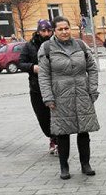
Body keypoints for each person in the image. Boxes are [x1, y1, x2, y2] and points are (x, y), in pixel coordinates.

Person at [38, 16, 99, 179]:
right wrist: (48, 97)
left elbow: (92, 68)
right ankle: (64, 167)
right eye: (60, 29)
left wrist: (92, 89)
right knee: (63, 133)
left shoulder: (80, 45)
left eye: (66, 28)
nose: (64, 32)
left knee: (84, 130)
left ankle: (85, 164)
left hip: (82, 94)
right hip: (60, 97)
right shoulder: (47, 48)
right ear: (54, 31)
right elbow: (43, 76)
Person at [18, 19, 56, 154]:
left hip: (56, 86)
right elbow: (20, 63)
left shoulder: (56, 43)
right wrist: (32, 67)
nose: (46, 33)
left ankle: (57, 140)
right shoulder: (30, 46)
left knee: (57, 116)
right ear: (38, 31)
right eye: (43, 30)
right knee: (43, 118)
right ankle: (51, 135)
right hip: (37, 88)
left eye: (49, 30)